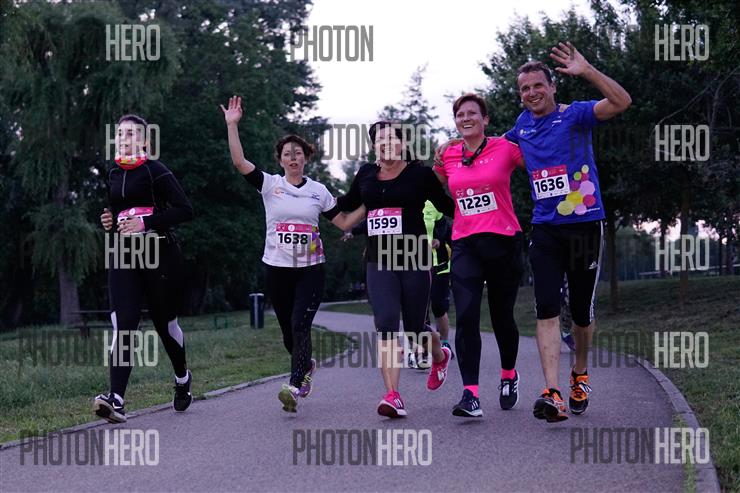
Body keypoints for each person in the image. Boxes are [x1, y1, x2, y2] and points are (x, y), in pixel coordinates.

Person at [504, 42, 631, 421]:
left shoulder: (575, 115)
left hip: (584, 226)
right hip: (545, 229)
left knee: (580, 312)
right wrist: (453, 149)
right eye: (524, 88)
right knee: (545, 308)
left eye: (537, 86)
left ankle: (579, 372)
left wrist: (587, 70)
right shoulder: (521, 127)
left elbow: (622, 102)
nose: (531, 93)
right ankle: (552, 391)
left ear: (552, 86)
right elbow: (490, 155)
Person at [221, 96, 364, 413]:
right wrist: (232, 125)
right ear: (280, 160)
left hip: (310, 270)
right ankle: (305, 366)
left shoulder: (319, 191)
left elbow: (343, 222)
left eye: (298, 153)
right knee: (289, 332)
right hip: (277, 269)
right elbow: (239, 162)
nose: (293, 157)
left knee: (301, 325)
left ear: (306, 157)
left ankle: (294, 386)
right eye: (287, 154)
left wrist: (369, 202)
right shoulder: (270, 185)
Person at [337, 121, 455, 418]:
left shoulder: (420, 174)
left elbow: (447, 206)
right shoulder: (366, 174)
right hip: (379, 260)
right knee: (386, 322)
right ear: (374, 146)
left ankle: (439, 355)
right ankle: (392, 395)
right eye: (380, 139)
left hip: (414, 258)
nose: (386, 143)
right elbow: (346, 203)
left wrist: (475, 210)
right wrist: (312, 199)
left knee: (416, 330)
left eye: (392, 138)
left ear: (403, 144)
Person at [94, 114, 195, 423]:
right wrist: (110, 221)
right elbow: (119, 213)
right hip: (124, 255)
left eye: (130, 134)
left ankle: (182, 378)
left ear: (144, 141)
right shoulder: (113, 172)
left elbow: (185, 210)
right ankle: (116, 399)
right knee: (124, 323)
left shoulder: (156, 171)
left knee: (165, 325)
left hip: (160, 254)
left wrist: (146, 223)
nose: (123, 138)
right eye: (120, 133)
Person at [434, 94, 525, 418]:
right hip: (465, 244)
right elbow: (438, 186)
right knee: (467, 315)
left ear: (485, 119)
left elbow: (537, 165)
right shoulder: (448, 154)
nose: (466, 118)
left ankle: (508, 374)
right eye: (460, 114)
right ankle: (470, 394)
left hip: (503, 242)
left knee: (502, 316)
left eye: (472, 113)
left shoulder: (505, 148)